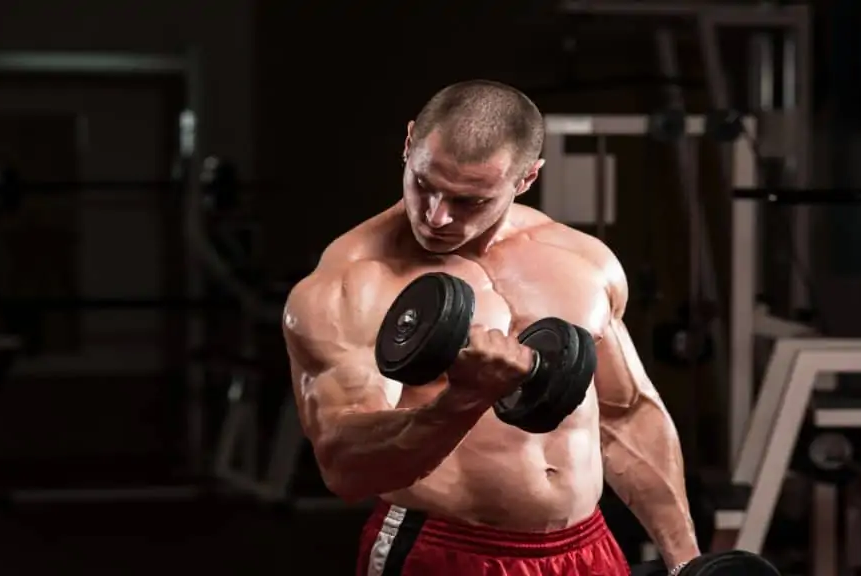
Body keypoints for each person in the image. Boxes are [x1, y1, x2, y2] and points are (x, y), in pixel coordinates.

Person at [282, 80, 700, 576]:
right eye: (423, 184)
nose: (436, 216)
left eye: (469, 201)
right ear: (409, 141)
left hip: (589, 547)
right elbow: (344, 467)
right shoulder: (352, 282)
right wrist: (462, 401)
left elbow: (625, 413)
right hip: (446, 548)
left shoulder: (583, 261)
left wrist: (687, 562)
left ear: (527, 178)